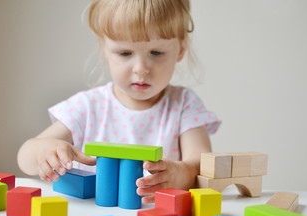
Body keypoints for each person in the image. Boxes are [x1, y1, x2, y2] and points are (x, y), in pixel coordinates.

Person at [17, 0, 221, 203]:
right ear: (104, 48)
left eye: (157, 52)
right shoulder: (87, 107)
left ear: (181, 49)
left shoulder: (184, 104)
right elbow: (25, 157)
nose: (141, 68)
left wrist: (181, 173)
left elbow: (203, 166)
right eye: (125, 53)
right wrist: (45, 152)